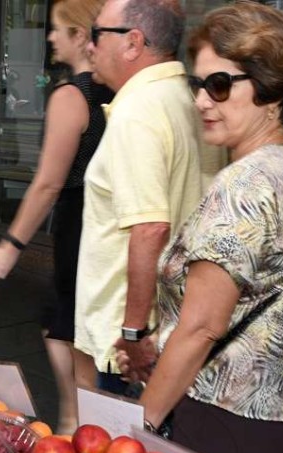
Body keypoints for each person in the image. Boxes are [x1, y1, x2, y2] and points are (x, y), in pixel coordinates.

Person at [116, 3, 283, 453]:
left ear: (270, 89)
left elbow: (201, 328)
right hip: (280, 413)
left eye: (219, 85)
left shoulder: (245, 183)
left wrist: (133, 429)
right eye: (197, 84)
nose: (201, 100)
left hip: (227, 413)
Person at [0, 0, 113, 434]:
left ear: (80, 36)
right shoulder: (124, 93)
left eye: (58, 29)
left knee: (70, 326)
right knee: (68, 320)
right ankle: (78, 423)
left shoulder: (73, 96)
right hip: (113, 224)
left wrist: (12, 245)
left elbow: (48, 183)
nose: (50, 37)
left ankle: (75, 427)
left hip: (81, 222)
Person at [74, 0, 219, 394]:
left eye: (97, 34)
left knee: (126, 450)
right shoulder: (189, 99)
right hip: (179, 326)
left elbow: (151, 226)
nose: (89, 47)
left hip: (132, 347)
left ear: (133, 42)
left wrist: (133, 333)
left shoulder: (138, 111)